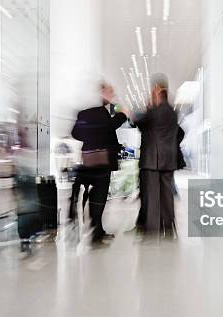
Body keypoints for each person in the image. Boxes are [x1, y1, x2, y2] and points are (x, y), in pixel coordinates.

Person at [69, 82, 127, 243]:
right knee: (99, 196)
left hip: (88, 159)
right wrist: (122, 115)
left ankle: (97, 229)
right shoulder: (100, 111)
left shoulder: (84, 112)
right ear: (101, 92)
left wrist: (91, 137)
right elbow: (109, 127)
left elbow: (75, 133)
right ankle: (96, 232)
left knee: (95, 195)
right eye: (110, 91)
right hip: (101, 161)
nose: (112, 94)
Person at [135, 73, 180, 238]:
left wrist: (146, 109)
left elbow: (139, 123)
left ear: (157, 90)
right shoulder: (172, 112)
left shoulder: (154, 112)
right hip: (168, 161)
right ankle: (168, 226)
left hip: (152, 161)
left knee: (152, 196)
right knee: (167, 195)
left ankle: (153, 229)